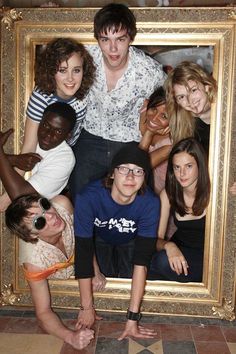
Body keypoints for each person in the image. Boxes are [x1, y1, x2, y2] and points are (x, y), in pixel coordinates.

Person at [69, 3, 166, 199]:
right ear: (98, 39)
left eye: (120, 39)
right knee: (80, 201)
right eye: (105, 39)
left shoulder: (149, 71)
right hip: (90, 137)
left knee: (129, 205)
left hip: (129, 143)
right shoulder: (84, 58)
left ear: (130, 38)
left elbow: (173, 102)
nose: (113, 48)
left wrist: (162, 127)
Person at [74, 143, 160, 339]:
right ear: (112, 173)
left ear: (144, 177)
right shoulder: (88, 197)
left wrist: (132, 319)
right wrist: (86, 307)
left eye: (138, 171)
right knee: (100, 282)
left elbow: (142, 262)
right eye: (124, 169)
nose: (130, 177)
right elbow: (83, 249)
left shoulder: (150, 203)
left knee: (129, 278)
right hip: (99, 239)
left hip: (131, 240)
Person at [0, 37, 95, 210]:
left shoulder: (83, 100)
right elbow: (29, 147)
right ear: (51, 71)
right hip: (41, 143)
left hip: (67, 148)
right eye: (63, 70)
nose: (70, 78)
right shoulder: (41, 96)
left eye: (76, 70)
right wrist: (6, 198)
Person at [5, 194, 94, 350]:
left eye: (45, 205)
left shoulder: (62, 205)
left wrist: (95, 271)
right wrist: (71, 337)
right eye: (39, 222)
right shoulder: (34, 261)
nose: (51, 216)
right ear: (32, 235)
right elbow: (43, 312)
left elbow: (84, 240)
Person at [148, 138, 210, 282]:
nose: (182, 173)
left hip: (208, 257)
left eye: (188, 166)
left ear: (200, 166)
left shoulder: (214, 192)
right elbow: (155, 239)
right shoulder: (168, 193)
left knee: (159, 265)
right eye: (177, 167)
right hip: (178, 250)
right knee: (154, 262)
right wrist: (169, 246)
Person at [0, 102, 76, 200]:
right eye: (46, 125)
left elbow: (19, 196)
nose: (49, 134)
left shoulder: (65, 159)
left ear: (68, 136)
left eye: (58, 131)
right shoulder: (27, 133)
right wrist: (13, 160)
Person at [165, 61, 217, 153]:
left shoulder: (227, 106)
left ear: (206, 86)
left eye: (193, 90)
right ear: (177, 102)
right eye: (181, 97)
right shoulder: (183, 128)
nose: (190, 101)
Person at [139, 86, 172, 195]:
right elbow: (146, 103)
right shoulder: (147, 109)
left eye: (164, 116)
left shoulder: (170, 145)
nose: (154, 118)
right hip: (148, 188)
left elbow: (138, 167)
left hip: (164, 199)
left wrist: (149, 133)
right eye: (154, 109)